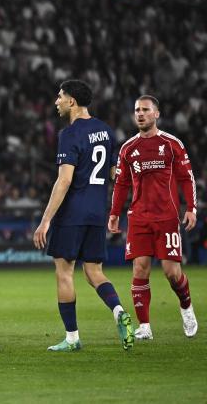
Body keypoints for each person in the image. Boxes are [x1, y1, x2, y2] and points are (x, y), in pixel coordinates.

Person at [33, 79, 134, 351]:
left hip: (73, 212)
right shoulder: (106, 131)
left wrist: (45, 220)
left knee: (64, 272)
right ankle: (118, 311)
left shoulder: (70, 134)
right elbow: (115, 175)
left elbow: (64, 181)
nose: (56, 101)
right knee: (94, 271)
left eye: (60, 96)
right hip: (97, 212)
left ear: (72, 102)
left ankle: (72, 338)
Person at [109, 95, 198, 339]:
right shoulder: (128, 148)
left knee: (172, 273)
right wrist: (115, 213)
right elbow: (121, 183)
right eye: (137, 109)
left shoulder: (171, 144)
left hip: (167, 217)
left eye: (145, 110)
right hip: (138, 217)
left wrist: (191, 207)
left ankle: (186, 307)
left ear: (156, 114)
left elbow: (186, 177)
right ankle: (145, 327)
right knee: (140, 269)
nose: (140, 114)